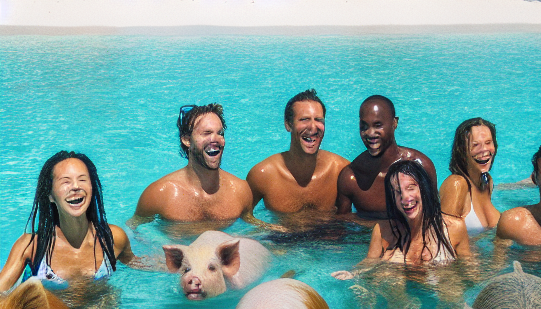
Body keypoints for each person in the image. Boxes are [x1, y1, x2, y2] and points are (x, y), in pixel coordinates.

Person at [0, 151, 134, 293]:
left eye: (82, 180)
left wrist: (160, 264)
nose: (75, 187)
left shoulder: (112, 237)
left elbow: (138, 264)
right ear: (50, 195)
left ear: (92, 188)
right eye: (65, 181)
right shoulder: (31, 245)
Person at [335, 160, 470, 271]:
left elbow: (470, 272)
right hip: (398, 301)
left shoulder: (454, 229)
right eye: (398, 192)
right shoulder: (382, 232)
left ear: (424, 189)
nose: (405, 198)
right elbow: (368, 265)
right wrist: (354, 274)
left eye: (411, 188)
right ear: (392, 199)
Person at [133, 104, 254, 223]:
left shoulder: (240, 190)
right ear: (186, 140)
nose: (216, 139)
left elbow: (250, 227)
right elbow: (136, 231)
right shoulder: (159, 194)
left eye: (220, 133)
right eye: (207, 133)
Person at [247, 89, 350, 218]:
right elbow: (244, 217)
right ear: (288, 125)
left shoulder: (341, 170)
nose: (313, 127)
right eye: (304, 119)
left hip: (330, 235)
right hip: (280, 236)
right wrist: (267, 229)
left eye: (318, 120)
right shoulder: (263, 175)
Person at [336, 95, 436, 219]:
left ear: (394, 123)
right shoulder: (351, 178)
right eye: (364, 127)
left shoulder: (420, 166)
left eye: (378, 125)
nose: (370, 133)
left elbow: (433, 218)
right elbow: (341, 226)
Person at [439, 117, 500, 231]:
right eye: (475, 145)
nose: (484, 150)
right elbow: (446, 239)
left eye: (488, 143)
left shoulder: (486, 181)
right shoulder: (456, 185)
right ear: (461, 151)